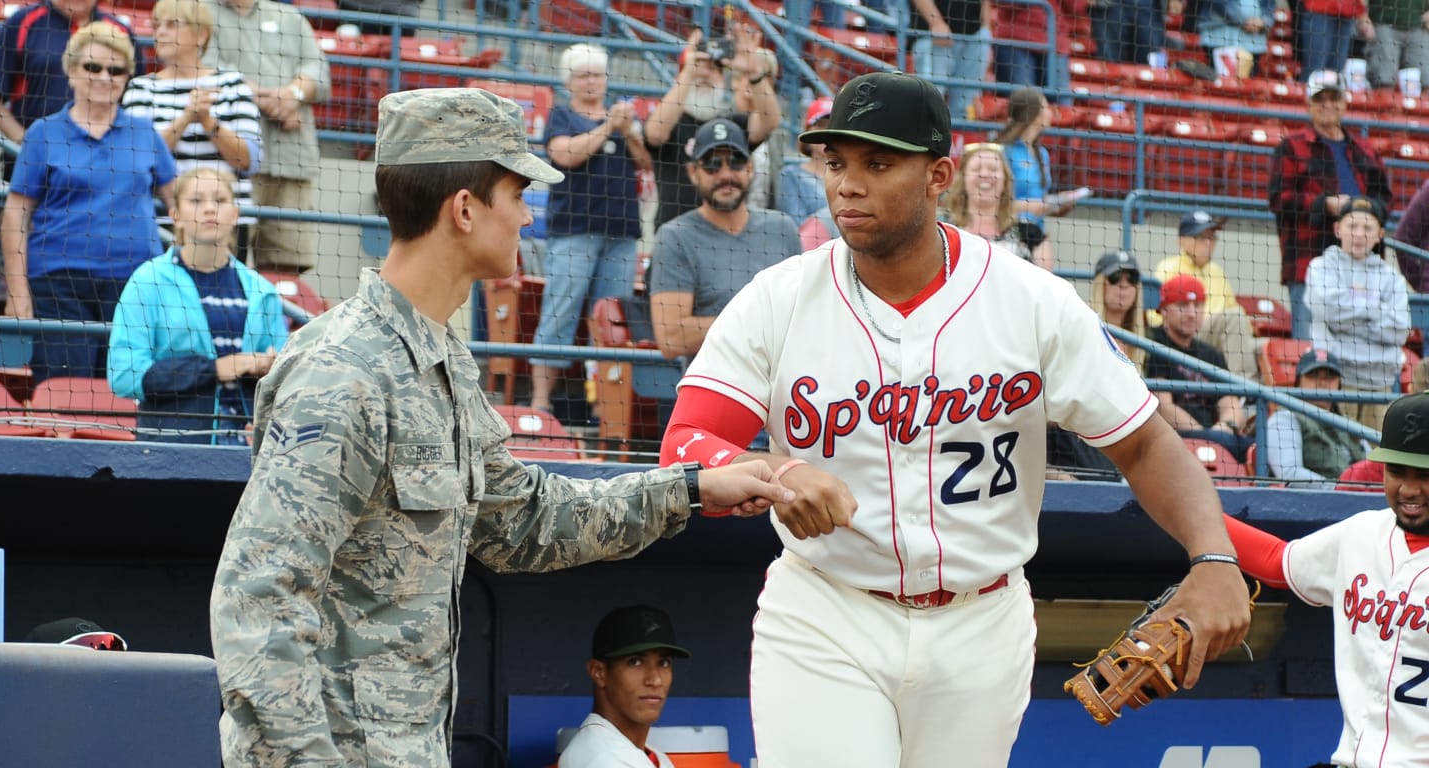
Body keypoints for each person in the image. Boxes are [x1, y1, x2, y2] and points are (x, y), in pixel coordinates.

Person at [656, 72, 1251, 768]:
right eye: (837, 162)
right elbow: (687, 444)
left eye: (878, 164)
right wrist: (775, 470)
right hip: (827, 610)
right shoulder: (778, 300)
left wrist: (1213, 556)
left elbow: (1146, 444)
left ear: (940, 174)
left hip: (982, 620)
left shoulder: (1031, 302)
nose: (848, 184)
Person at [207, 87, 796, 768]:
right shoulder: (344, 371)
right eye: (516, 194)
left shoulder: (441, 362)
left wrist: (691, 490)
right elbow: (259, 598)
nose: (528, 214)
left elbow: (524, 520)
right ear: (464, 209)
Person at [1223, 391, 1429, 767]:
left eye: (1425, 475)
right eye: (1397, 471)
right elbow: (1276, 561)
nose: (1409, 489)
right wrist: (1193, 512)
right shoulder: (1362, 533)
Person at [0, 22, 179, 385]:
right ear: (70, 71)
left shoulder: (145, 134)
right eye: (92, 67)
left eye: (116, 70)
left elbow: (179, 206)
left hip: (135, 285)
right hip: (57, 284)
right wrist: (17, 292)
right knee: (64, 391)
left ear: (129, 77)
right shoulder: (42, 134)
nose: (103, 77)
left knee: (124, 389)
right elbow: (15, 215)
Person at [107, 169, 288, 445]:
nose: (208, 209)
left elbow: (286, 375)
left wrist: (270, 365)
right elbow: (124, 375)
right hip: (175, 443)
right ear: (175, 215)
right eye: (196, 200)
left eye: (219, 200)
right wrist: (215, 369)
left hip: (253, 448)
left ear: (235, 213)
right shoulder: (147, 281)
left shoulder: (262, 291)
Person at [527, 43, 650, 415]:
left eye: (597, 74)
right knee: (559, 312)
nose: (592, 82)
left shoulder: (624, 122)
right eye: (584, 75)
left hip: (621, 232)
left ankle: (605, 408)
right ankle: (539, 403)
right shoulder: (563, 116)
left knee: (611, 320)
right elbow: (565, 154)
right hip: (574, 229)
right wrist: (608, 126)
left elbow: (645, 163)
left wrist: (627, 131)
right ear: (569, 82)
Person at [648, 118, 800, 362]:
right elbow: (671, 338)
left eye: (736, 163)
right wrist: (757, 319)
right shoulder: (675, 236)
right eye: (712, 165)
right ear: (693, 173)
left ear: (749, 168)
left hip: (783, 382)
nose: (725, 175)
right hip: (717, 385)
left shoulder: (782, 227)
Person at [122, 0, 262, 258]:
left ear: (200, 35)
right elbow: (136, 158)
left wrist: (208, 121)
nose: (159, 32)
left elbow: (250, 160)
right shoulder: (140, 88)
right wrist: (186, 117)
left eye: (172, 25)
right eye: (156, 25)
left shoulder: (232, 83)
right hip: (162, 219)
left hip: (227, 222)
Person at [202, 0, 330, 274]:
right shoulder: (200, 11)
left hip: (291, 160)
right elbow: (207, 68)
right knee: (218, 264)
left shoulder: (290, 16)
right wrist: (273, 103)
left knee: (284, 269)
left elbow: (318, 72)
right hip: (227, 165)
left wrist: (292, 95)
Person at [1268, 68, 1391, 341]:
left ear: (1344, 101)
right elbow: (1278, 199)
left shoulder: (1365, 149)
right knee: (1311, 349)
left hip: (1364, 270)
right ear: (1309, 104)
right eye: (1320, 98)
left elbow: (1385, 200)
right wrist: (1325, 205)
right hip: (1309, 265)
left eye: (1334, 97)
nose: (1327, 104)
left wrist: (1365, 212)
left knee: (1364, 347)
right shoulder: (1291, 146)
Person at [643, 24, 781, 230]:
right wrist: (688, 72)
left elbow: (770, 121)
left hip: (728, 236)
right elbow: (654, 134)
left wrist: (755, 73)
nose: (706, 74)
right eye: (699, 66)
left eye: (714, 69)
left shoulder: (732, 125)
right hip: (675, 236)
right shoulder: (671, 121)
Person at [1305, 195, 1411, 433]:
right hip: (1338, 383)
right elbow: (1330, 310)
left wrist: (1351, 314)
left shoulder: (1392, 277)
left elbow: (1399, 329)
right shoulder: (1320, 267)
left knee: (1378, 460)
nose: (1359, 234)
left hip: (1380, 386)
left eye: (1367, 227)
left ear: (1380, 234)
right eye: (1352, 225)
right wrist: (1376, 309)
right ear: (1337, 229)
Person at [0, 0, 134, 155]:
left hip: (104, 159)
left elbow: (133, 99)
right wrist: (26, 142)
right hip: (33, 160)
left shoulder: (119, 31)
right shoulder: (23, 22)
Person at [559, 605, 689, 768]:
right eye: (635, 661)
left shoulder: (646, 754)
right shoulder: (600, 758)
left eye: (663, 663)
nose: (655, 680)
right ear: (599, 672)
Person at [1146, 274, 1253, 460]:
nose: (1191, 313)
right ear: (1163, 310)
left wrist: (1226, 426)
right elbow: (1164, 407)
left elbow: (1232, 404)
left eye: (1197, 306)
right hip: (1175, 438)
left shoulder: (1210, 354)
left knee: (1257, 449)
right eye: (1182, 306)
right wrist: (1208, 436)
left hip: (1215, 435)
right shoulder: (1153, 344)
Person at [1152, 209, 1260, 383]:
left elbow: (1234, 309)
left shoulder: (1216, 271)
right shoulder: (1168, 268)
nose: (1208, 243)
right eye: (1201, 237)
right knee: (1234, 318)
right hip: (1184, 334)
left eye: (1212, 238)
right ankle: (1245, 388)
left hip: (1219, 338)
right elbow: (1155, 317)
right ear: (1182, 241)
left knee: (1267, 346)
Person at [940, 141, 1052, 268]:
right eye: (976, 169)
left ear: (1005, 180)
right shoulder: (942, 231)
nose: (985, 174)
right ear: (962, 180)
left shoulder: (1031, 235)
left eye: (993, 169)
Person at [1264, 349, 1368, 485]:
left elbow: (1372, 465)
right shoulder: (1284, 419)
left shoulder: (1345, 423)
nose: (1322, 383)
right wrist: (1340, 489)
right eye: (1313, 376)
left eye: (1330, 377)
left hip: (1358, 496)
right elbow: (1290, 474)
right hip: (1313, 501)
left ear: (1339, 384)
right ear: (1298, 382)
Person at [994, 88, 1075, 227]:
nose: (1051, 112)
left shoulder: (1042, 154)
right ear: (1035, 114)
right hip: (1007, 229)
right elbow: (992, 203)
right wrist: (1028, 207)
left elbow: (1038, 199)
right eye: (1046, 107)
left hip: (1035, 232)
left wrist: (1059, 201)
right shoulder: (1003, 151)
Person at [909, 0, 991, 121]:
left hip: (974, 36)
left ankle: (958, 138)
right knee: (931, 102)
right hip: (932, 36)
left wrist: (986, 32)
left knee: (964, 106)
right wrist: (936, 22)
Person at [777, 95, 833, 228]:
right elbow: (798, 227)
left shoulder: (848, 175)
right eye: (821, 126)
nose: (827, 133)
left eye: (832, 127)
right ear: (808, 131)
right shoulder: (790, 175)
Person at [1090, 250, 1148, 371]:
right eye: (1114, 277)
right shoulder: (1084, 327)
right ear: (1100, 284)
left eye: (1132, 279)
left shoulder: (1149, 337)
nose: (1123, 285)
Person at [1364, 0, 1429, 88]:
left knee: (1425, 80)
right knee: (1384, 80)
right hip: (1383, 24)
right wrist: (1363, 17)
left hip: (1419, 26)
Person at [1198, 0, 1274, 74]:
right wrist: (1245, 21)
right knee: (1221, 81)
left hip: (1254, 42)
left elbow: (1269, 8)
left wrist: (1264, 22)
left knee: (1247, 82)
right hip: (1219, 37)